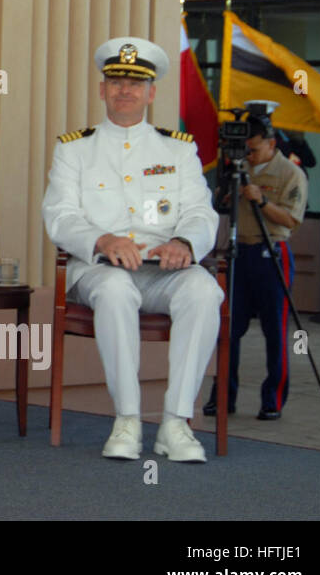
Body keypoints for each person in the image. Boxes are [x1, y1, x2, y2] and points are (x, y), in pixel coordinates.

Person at [42, 37, 222, 463]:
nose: (126, 90)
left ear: (151, 93)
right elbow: (60, 216)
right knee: (116, 290)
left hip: (163, 272)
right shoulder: (74, 148)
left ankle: (176, 423)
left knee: (204, 291)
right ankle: (127, 418)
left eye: (135, 84)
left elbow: (201, 212)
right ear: (102, 89)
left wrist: (183, 242)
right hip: (100, 270)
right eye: (116, 82)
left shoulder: (178, 149)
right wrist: (103, 240)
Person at [206, 118, 306, 420]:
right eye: (244, 149)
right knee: (227, 330)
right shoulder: (238, 169)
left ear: (271, 143)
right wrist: (226, 193)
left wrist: (261, 201)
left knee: (274, 330)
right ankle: (223, 395)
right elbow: (218, 207)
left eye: (253, 149)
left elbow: (291, 220)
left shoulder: (290, 173)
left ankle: (272, 399)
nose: (247, 155)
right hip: (239, 252)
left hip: (272, 252)